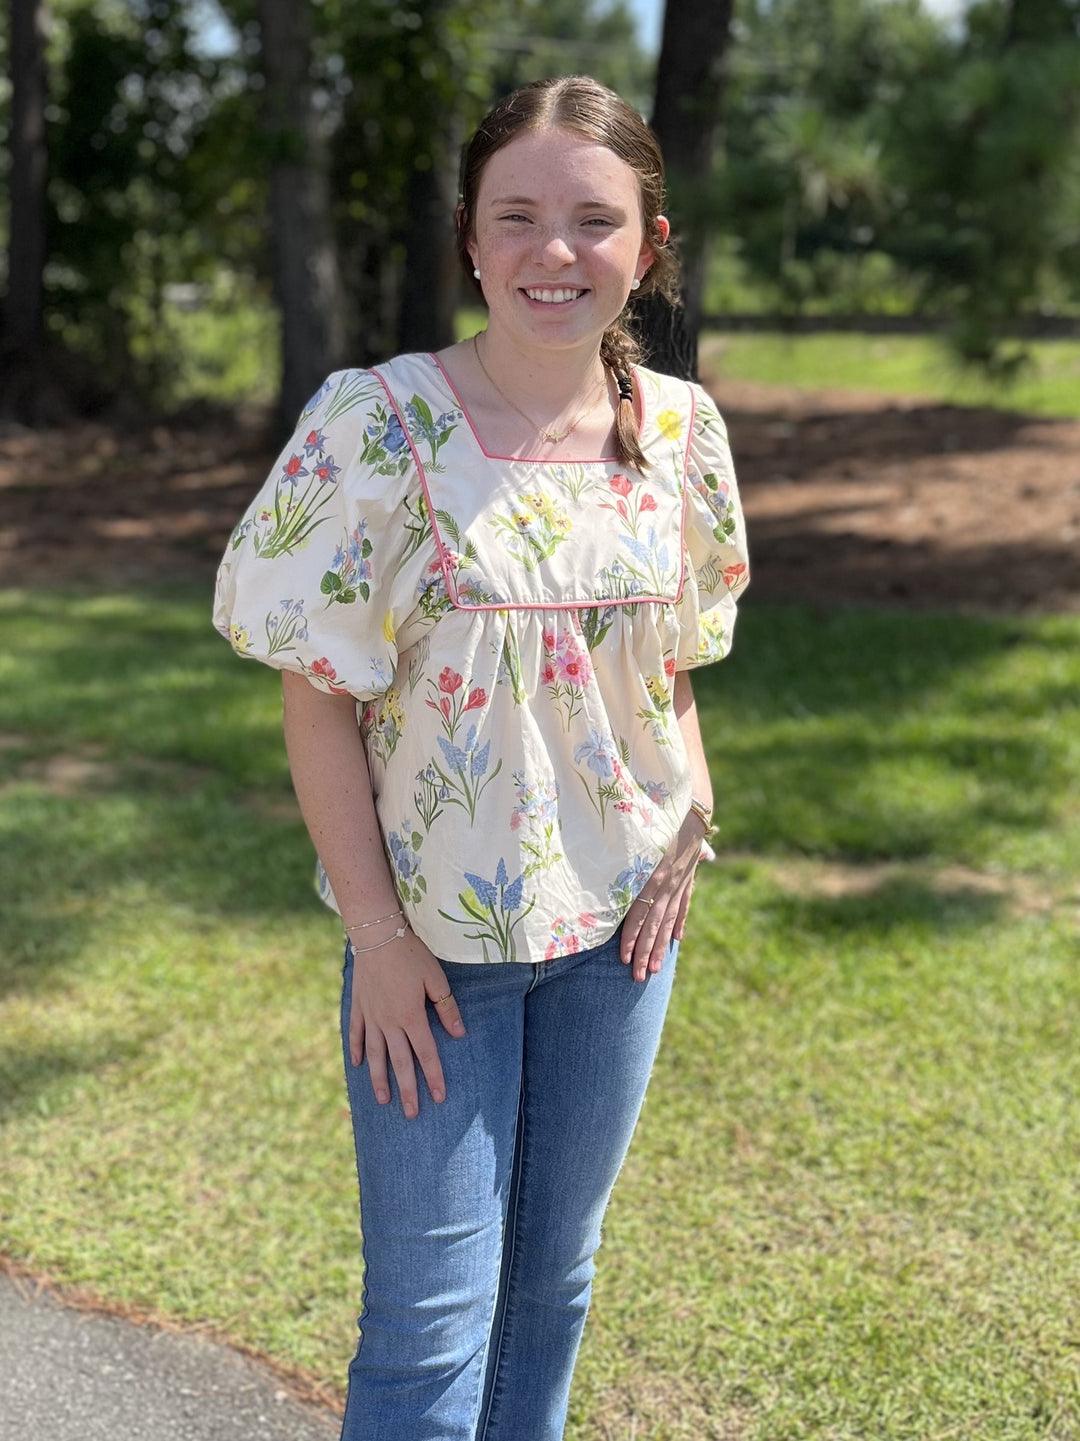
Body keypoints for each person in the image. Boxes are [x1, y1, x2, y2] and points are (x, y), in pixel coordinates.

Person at [213, 73, 749, 1441]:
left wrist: (695, 814)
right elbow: (316, 698)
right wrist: (382, 943)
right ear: (468, 238)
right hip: (435, 950)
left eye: (591, 219)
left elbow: (672, 661)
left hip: (621, 933)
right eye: (515, 217)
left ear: (650, 242)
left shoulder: (678, 432)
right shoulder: (378, 427)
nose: (551, 252)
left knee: (553, 1287)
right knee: (428, 1320)